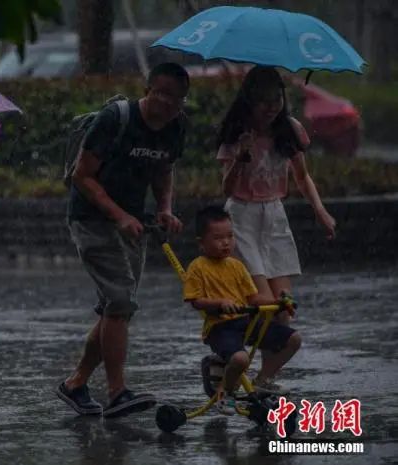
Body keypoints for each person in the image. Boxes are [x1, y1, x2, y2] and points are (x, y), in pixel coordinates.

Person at [57, 63, 188, 419]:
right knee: (119, 301)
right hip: (91, 219)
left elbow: (164, 169)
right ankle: (116, 393)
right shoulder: (116, 119)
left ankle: (75, 384)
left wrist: (164, 208)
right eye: (159, 92)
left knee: (116, 309)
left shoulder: (176, 126)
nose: (165, 102)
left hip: (133, 223)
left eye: (174, 97)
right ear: (146, 90)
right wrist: (119, 215)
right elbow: (81, 176)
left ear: (181, 103)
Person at [217, 65, 336, 328]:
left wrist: (320, 210)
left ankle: (266, 370)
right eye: (264, 101)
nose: (271, 107)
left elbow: (302, 177)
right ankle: (230, 356)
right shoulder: (236, 133)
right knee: (265, 302)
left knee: (284, 310)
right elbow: (227, 189)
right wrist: (239, 158)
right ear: (250, 100)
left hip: (274, 216)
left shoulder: (289, 129)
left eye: (276, 99)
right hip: (242, 217)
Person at [183, 206, 302, 414]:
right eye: (218, 238)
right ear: (201, 243)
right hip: (220, 327)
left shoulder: (237, 266)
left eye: (230, 236)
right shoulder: (197, 267)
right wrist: (219, 303)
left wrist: (278, 301)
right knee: (240, 359)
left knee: (293, 339)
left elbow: (254, 298)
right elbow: (195, 301)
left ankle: (262, 380)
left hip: (245, 322)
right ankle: (225, 393)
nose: (226, 242)